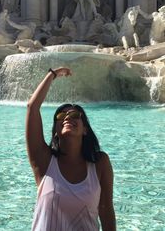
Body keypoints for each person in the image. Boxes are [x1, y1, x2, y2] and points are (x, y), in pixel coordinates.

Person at [26, 67, 116, 231]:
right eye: (61, 116)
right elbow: (32, 107)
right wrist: (53, 74)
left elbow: (106, 211)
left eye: (75, 115)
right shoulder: (44, 161)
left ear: (85, 129)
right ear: (55, 132)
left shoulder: (100, 163)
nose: (67, 117)